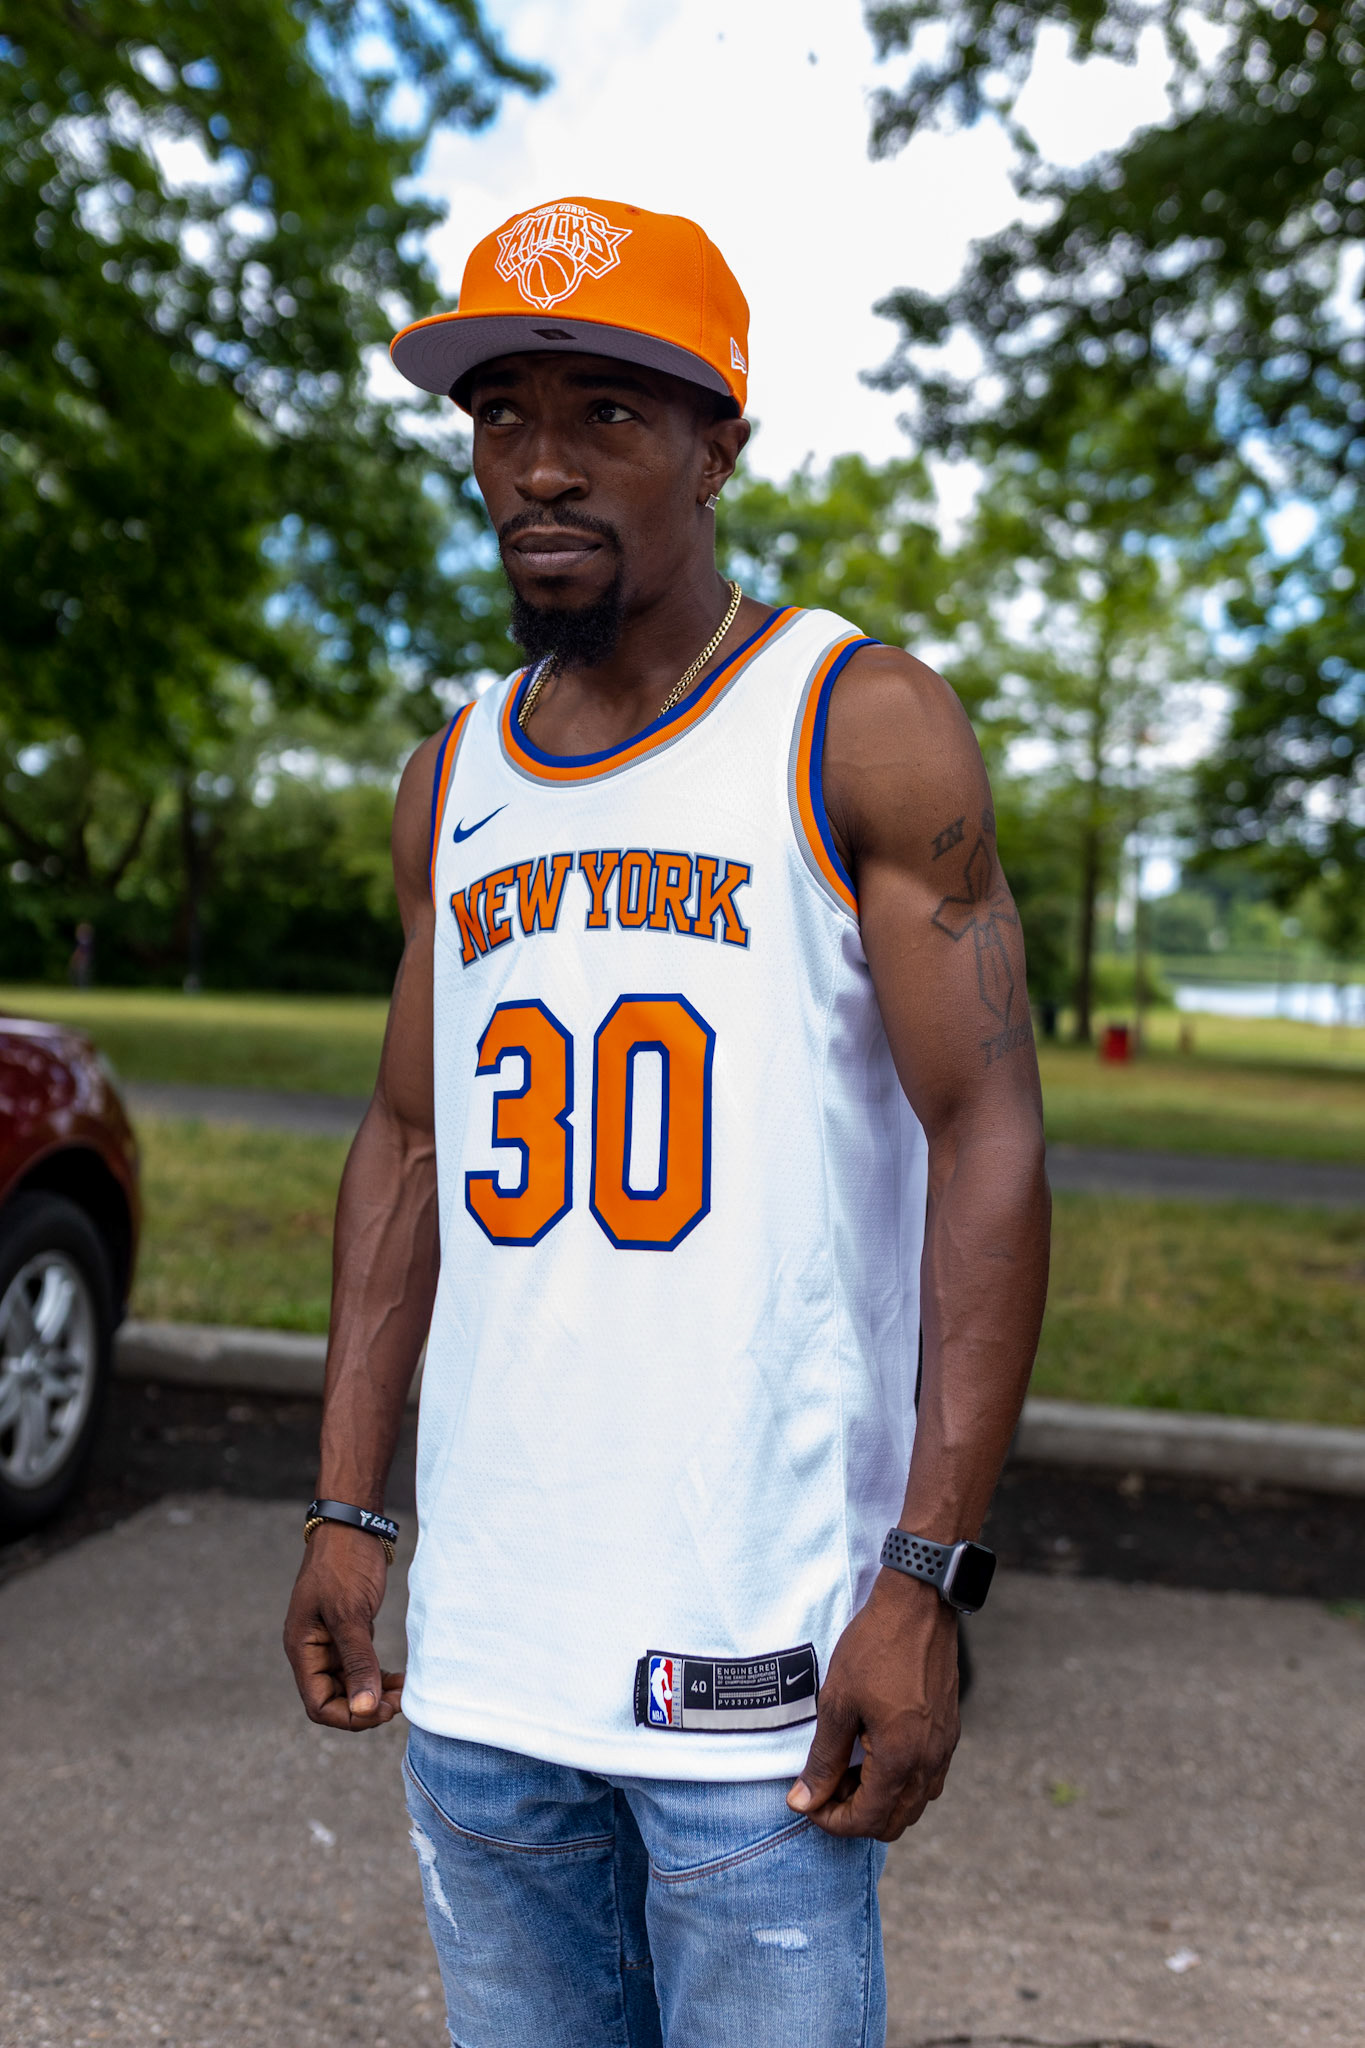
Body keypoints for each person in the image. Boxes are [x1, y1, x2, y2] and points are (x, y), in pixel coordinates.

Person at [284, 196, 1050, 2047]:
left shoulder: (855, 723)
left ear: (717, 447)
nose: (539, 466)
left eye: (606, 413)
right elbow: (406, 1143)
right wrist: (346, 1503)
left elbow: (990, 1140)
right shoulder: (452, 776)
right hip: (487, 1672)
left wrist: (925, 1579)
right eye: (500, 416)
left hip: (755, 1676)